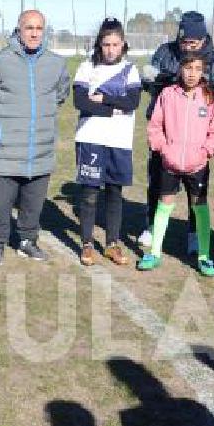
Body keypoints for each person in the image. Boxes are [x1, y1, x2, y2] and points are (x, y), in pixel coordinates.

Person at [139, 11, 214, 253]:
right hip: (166, 131)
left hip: (195, 137)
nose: (186, 45)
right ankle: (152, 227)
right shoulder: (164, 52)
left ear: (202, 39)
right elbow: (148, 82)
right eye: (183, 41)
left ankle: (193, 234)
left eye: (192, 42)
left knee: (197, 193)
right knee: (158, 184)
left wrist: (196, 82)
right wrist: (160, 79)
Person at [0, 9, 69, 266]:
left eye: (39, 28)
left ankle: (27, 241)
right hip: (6, 149)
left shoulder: (57, 64)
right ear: (18, 29)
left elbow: (61, 94)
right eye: (28, 28)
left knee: (33, 204)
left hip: (39, 149)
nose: (34, 33)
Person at [142, 52, 214, 275]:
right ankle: (155, 252)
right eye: (188, 68)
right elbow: (155, 126)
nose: (192, 74)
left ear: (203, 71)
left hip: (198, 165)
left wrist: (205, 152)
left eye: (197, 69)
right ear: (180, 69)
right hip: (170, 162)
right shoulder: (168, 94)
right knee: (164, 205)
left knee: (200, 208)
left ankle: (204, 256)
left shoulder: (209, 97)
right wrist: (163, 149)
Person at [73, 18, 140, 266]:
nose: (111, 49)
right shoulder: (86, 67)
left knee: (114, 192)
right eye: (106, 44)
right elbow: (80, 102)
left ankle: (112, 243)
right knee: (90, 194)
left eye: (115, 44)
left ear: (123, 44)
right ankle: (87, 243)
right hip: (90, 138)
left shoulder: (130, 70)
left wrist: (102, 100)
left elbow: (132, 102)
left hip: (119, 141)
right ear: (99, 45)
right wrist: (114, 106)